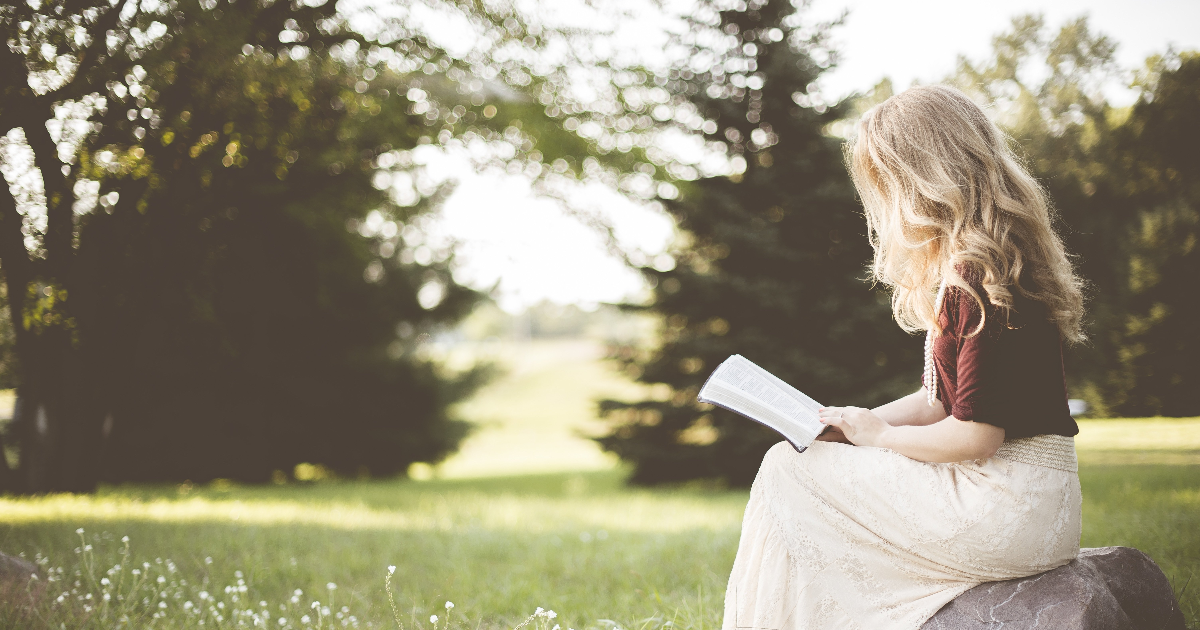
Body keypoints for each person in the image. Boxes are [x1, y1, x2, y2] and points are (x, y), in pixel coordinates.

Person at [721, 84, 1087, 630]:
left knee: (784, 471)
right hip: (1037, 504)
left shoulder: (975, 275)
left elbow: (975, 435)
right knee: (802, 462)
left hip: (1003, 505)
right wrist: (848, 425)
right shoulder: (998, 261)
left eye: (886, 184)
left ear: (922, 179)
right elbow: (938, 400)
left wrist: (880, 438)